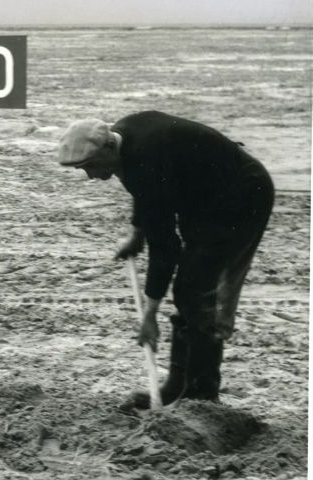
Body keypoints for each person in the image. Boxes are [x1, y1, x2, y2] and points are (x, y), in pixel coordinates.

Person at [57, 110, 274, 409]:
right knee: (189, 287)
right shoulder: (126, 137)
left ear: (108, 146)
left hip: (241, 196)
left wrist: (150, 315)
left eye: (91, 166)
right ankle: (178, 386)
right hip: (204, 197)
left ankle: (202, 397)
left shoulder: (145, 158)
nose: (91, 176)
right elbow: (145, 193)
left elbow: (166, 249)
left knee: (195, 289)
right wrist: (137, 234)